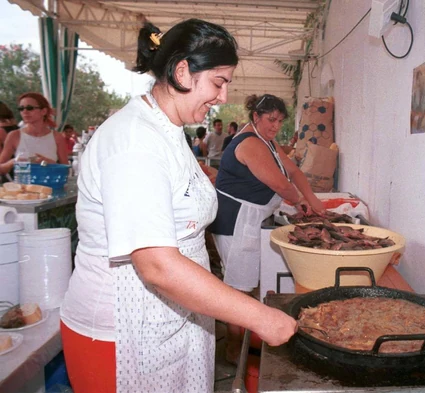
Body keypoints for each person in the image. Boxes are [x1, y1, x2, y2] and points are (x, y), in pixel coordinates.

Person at [59, 19, 296, 393]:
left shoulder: (167, 130)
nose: (222, 97)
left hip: (167, 318)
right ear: (183, 70)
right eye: (219, 82)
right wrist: (260, 317)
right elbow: (156, 265)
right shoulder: (134, 140)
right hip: (119, 332)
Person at [208, 93, 325, 362]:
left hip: (250, 218)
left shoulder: (266, 140)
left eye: (280, 121)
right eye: (271, 120)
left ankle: (244, 340)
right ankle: (234, 348)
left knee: (245, 283)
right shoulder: (250, 144)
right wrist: (300, 202)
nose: (275, 126)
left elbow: (293, 172)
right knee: (238, 287)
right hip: (236, 220)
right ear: (256, 117)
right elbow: (282, 185)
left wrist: (313, 200)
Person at [0, 93, 69, 175]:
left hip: (50, 186)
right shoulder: (14, 135)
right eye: (21, 108)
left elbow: (66, 170)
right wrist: (13, 162)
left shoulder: (57, 137)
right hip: (23, 186)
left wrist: (50, 163)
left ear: (43, 111)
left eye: (30, 108)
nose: (25, 111)